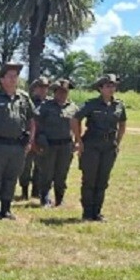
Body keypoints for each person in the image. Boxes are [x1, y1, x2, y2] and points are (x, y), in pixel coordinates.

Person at [0, 63, 36, 220]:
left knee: (11, 178)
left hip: (17, 146)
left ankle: (6, 209)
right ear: (2, 80)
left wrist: (30, 140)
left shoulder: (24, 98)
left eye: (15, 76)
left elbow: (31, 120)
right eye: (10, 76)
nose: (13, 79)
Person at [72, 74, 127, 221]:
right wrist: (79, 140)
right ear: (100, 88)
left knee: (102, 180)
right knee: (90, 180)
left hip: (109, 147)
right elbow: (75, 119)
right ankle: (87, 212)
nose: (111, 88)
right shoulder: (91, 104)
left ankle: (97, 212)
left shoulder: (119, 105)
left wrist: (118, 142)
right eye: (108, 86)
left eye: (113, 85)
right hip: (92, 146)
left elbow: (122, 123)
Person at [34, 78, 77, 208]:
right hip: (49, 145)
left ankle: (59, 199)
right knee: (47, 173)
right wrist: (36, 141)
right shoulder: (45, 106)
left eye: (65, 91)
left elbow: (77, 125)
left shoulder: (73, 107)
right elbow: (35, 123)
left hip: (66, 145)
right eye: (59, 91)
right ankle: (45, 199)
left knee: (61, 173)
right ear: (54, 92)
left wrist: (77, 141)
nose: (62, 94)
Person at [20, 76, 50, 200]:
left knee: (42, 167)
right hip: (29, 137)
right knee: (26, 166)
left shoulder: (51, 103)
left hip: (44, 139)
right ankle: (24, 190)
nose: (43, 90)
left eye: (45, 87)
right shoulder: (27, 102)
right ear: (34, 89)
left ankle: (36, 191)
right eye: (40, 87)